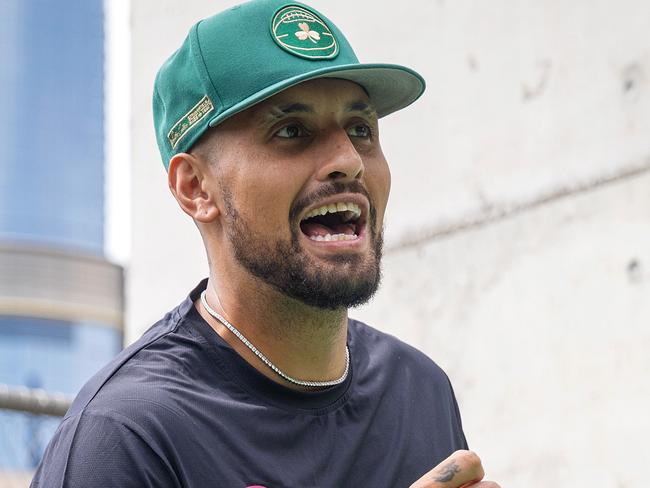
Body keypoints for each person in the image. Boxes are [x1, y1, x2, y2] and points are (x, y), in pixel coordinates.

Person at [32, 1, 500, 487]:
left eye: (361, 129)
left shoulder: (418, 390)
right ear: (195, 188)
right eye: (292, 131)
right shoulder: (127, 433)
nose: (348, 159)